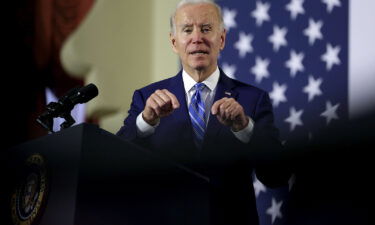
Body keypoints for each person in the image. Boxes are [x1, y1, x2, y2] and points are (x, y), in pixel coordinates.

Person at [117, 0, 290, 224]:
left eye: (206, 29)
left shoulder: (253, 99)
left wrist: (245, 127)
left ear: (222, 39)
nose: (197, 37)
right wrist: (146, 121)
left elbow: (276, 176)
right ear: (174, 42)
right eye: (187, 30)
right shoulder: (146, 98)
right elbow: (118, 161)